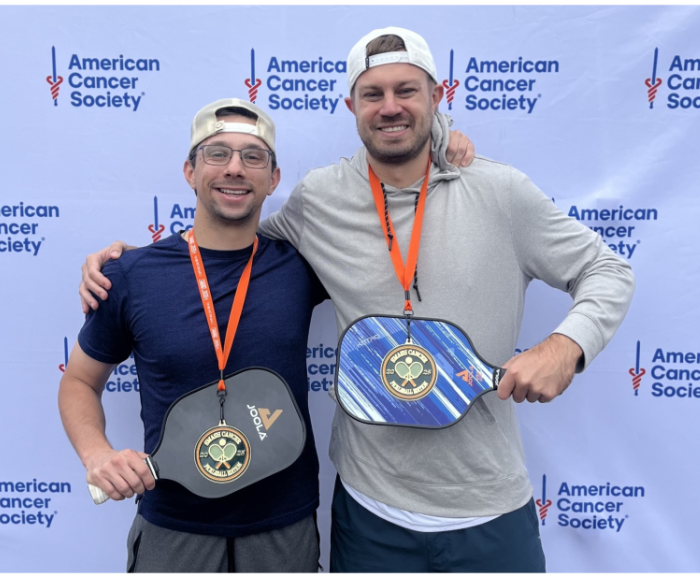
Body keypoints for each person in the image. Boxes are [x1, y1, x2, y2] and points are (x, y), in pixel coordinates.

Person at [79, 27, 635, 574]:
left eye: (407, 91)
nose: (390, 107)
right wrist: (134, 262)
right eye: (373, 94)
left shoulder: (499, 191)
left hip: (489, 505)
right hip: (370, 512)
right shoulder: (321, 200)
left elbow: (606, 270)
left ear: (437, 98)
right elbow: (230, 239)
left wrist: (567, 345)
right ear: (351, 105)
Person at [59, 98, 329, 574]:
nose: (235, 169)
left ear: (273, 178)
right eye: (217, 153)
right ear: (190, 170)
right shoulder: (132, 275)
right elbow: (79, 381)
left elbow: (392, 241)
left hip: (282, 526)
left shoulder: (303, 265)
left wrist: (440, 143)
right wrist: (96, 453)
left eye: (253, 156)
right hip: (174, 527)